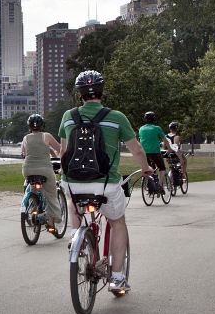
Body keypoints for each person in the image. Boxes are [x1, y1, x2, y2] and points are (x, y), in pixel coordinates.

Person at [59, 71, 152, 295]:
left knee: (74, 202)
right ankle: (118, 278)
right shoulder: (117, 117)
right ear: (102, 91)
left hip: (73, 183)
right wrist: (146, 168)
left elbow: (63, 152)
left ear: (79, 94)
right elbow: (137, 149)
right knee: (118, 222)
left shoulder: (68, 116)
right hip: (105, 185)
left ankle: (75, 235)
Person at [20, 114, 62, 234]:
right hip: (45, 169)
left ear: (29, 126)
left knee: (32, 188)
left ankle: (33, 206)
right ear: (42, 125)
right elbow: (59, 149)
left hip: (27, 169)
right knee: (51, 195)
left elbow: (23, 153)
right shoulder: (46, 136)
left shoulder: (26, 138)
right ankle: (51, 223)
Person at [138, 111, 169, 193]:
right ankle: (159, 185)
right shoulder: (157, 128)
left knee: (147, 168)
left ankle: (149, 185)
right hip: (155, 152)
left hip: (144, 153)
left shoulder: (141, 128)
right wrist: (169, 149)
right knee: (162, 168)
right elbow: (165, 140)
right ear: (154, 119)